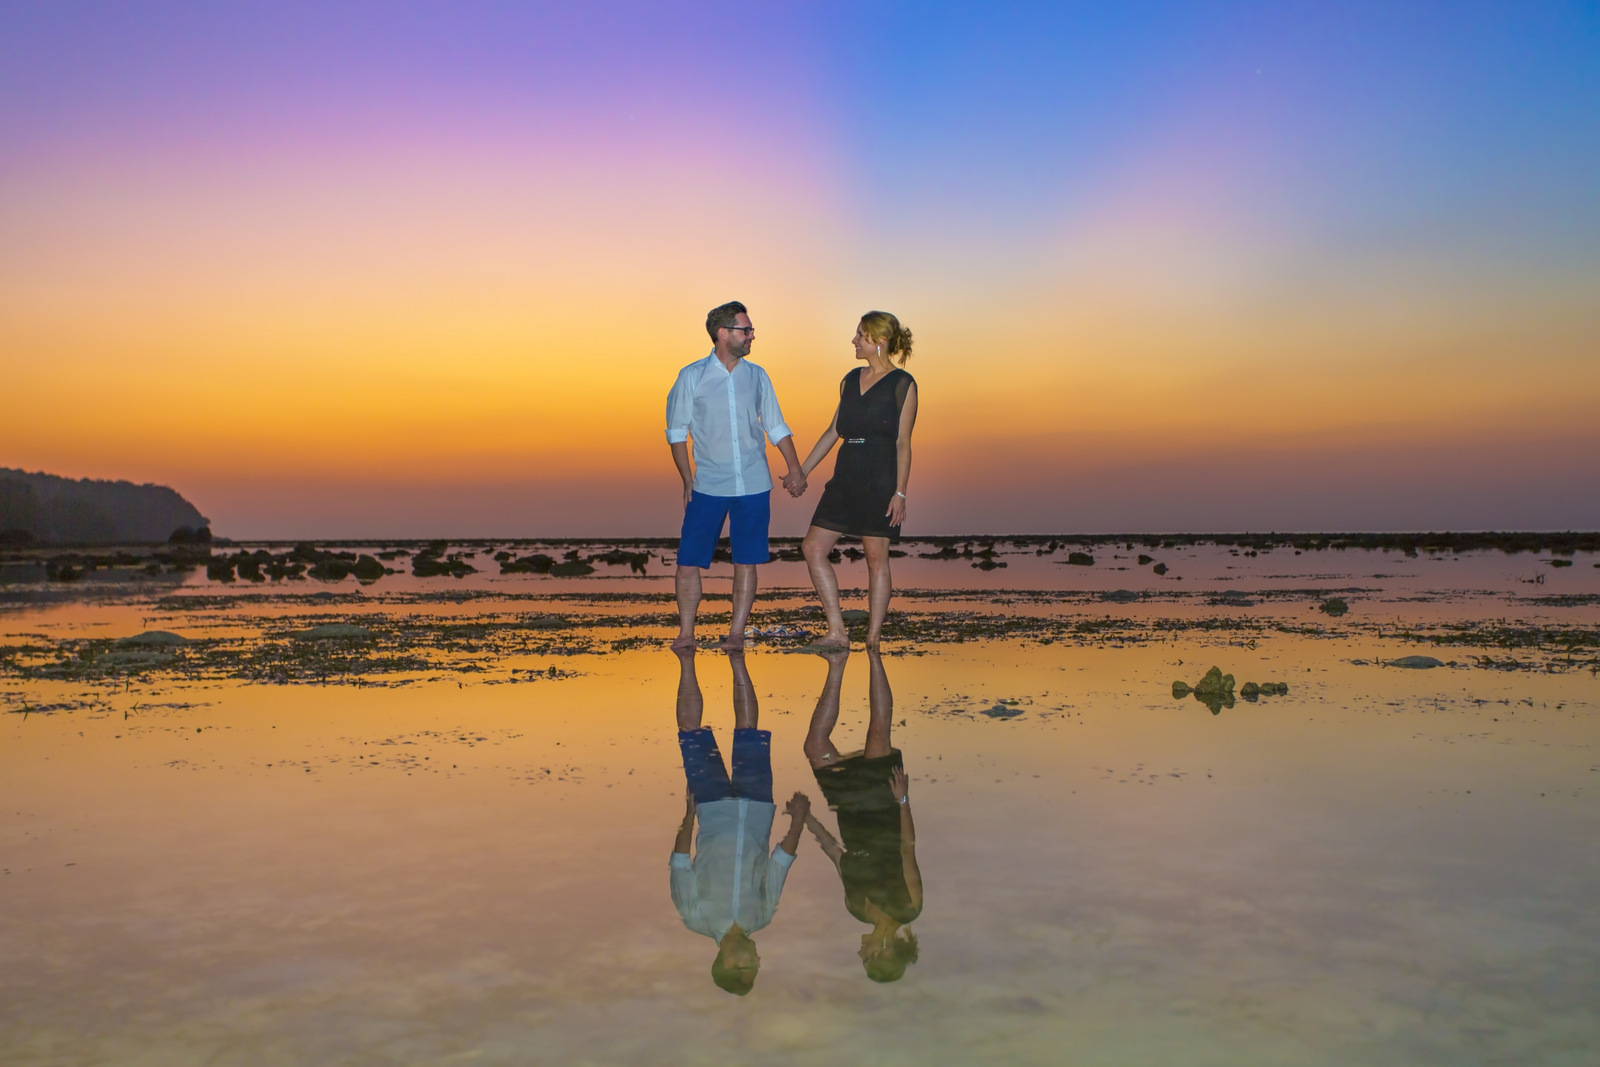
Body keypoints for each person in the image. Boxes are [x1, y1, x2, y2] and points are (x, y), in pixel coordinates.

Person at [666, 301, 807, 651]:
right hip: (709, 485)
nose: (752, 335)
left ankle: (735, 635)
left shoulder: (757, 375)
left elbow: (774, 424)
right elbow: (675, 431)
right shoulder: (691, 376)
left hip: (754, 484)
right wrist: (687, 480)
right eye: (746, 330)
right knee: (688, 561)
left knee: (746, 561)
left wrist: (795, 468)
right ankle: (686, 635)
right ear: (723, 333)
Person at [669, 647, 810, 996]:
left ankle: (686, 659)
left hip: (712, 808)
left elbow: (680, 864)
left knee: (690, 732)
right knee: (748, 730)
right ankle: (738, 658)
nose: (755, 961)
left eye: (744, 966)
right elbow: (779, 865)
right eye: (755, 967)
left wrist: (689, 814)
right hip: (758, 807)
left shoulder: (695, 919)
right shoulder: (761, 918)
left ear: (723, 962)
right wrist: (798, 822)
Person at [797, 311, 918, 650]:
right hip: (846, 474)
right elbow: (833, 430)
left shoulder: (903, 385)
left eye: (861, 336)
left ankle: (874, 638)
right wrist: (803, 470)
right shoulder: (849, 380)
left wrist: (900, 493)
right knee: (812, 548)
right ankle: (837, 631)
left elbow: (904, 443)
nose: (854, 341)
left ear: (879, 342)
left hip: (880, 477)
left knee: (876, 558)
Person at [801, 648, 923, 982]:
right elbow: (907, 849)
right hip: (881, 808)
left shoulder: (856, 909)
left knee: (815, 746)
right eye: (866, 957)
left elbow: (837, 855)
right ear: (885, 952)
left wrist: (806, 818)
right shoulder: (909, 908)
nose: (860, 952)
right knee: (878, 732)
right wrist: (903, 800)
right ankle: (874, 651)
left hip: (848, 807)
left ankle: (836, 664)